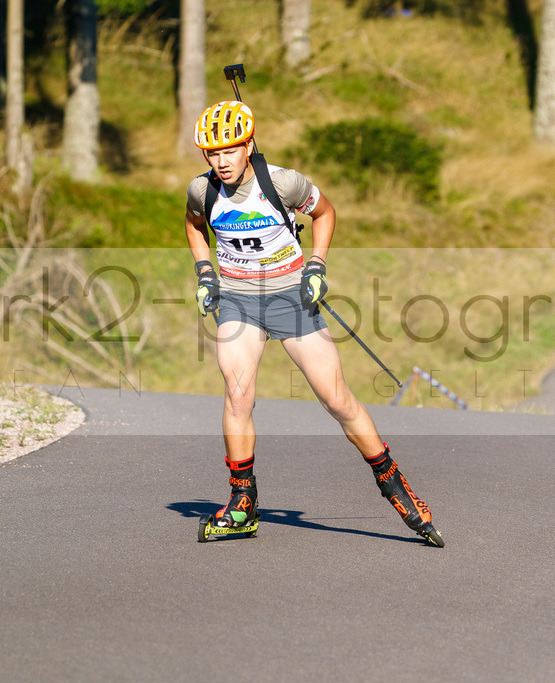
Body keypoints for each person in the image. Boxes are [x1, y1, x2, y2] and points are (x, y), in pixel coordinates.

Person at [184, 100, 443, 547]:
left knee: (337, 399)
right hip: (240, 301)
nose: (220, 161)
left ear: (248, 145)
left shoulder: (282, 182)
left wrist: (316, 266)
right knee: (237, 392)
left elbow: (324, 213)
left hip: (290, 296)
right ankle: (243, 503)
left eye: (229, 150)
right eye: (211, 152)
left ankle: (395, 486)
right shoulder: (201, 190)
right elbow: (193, 226)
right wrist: (205, 272)